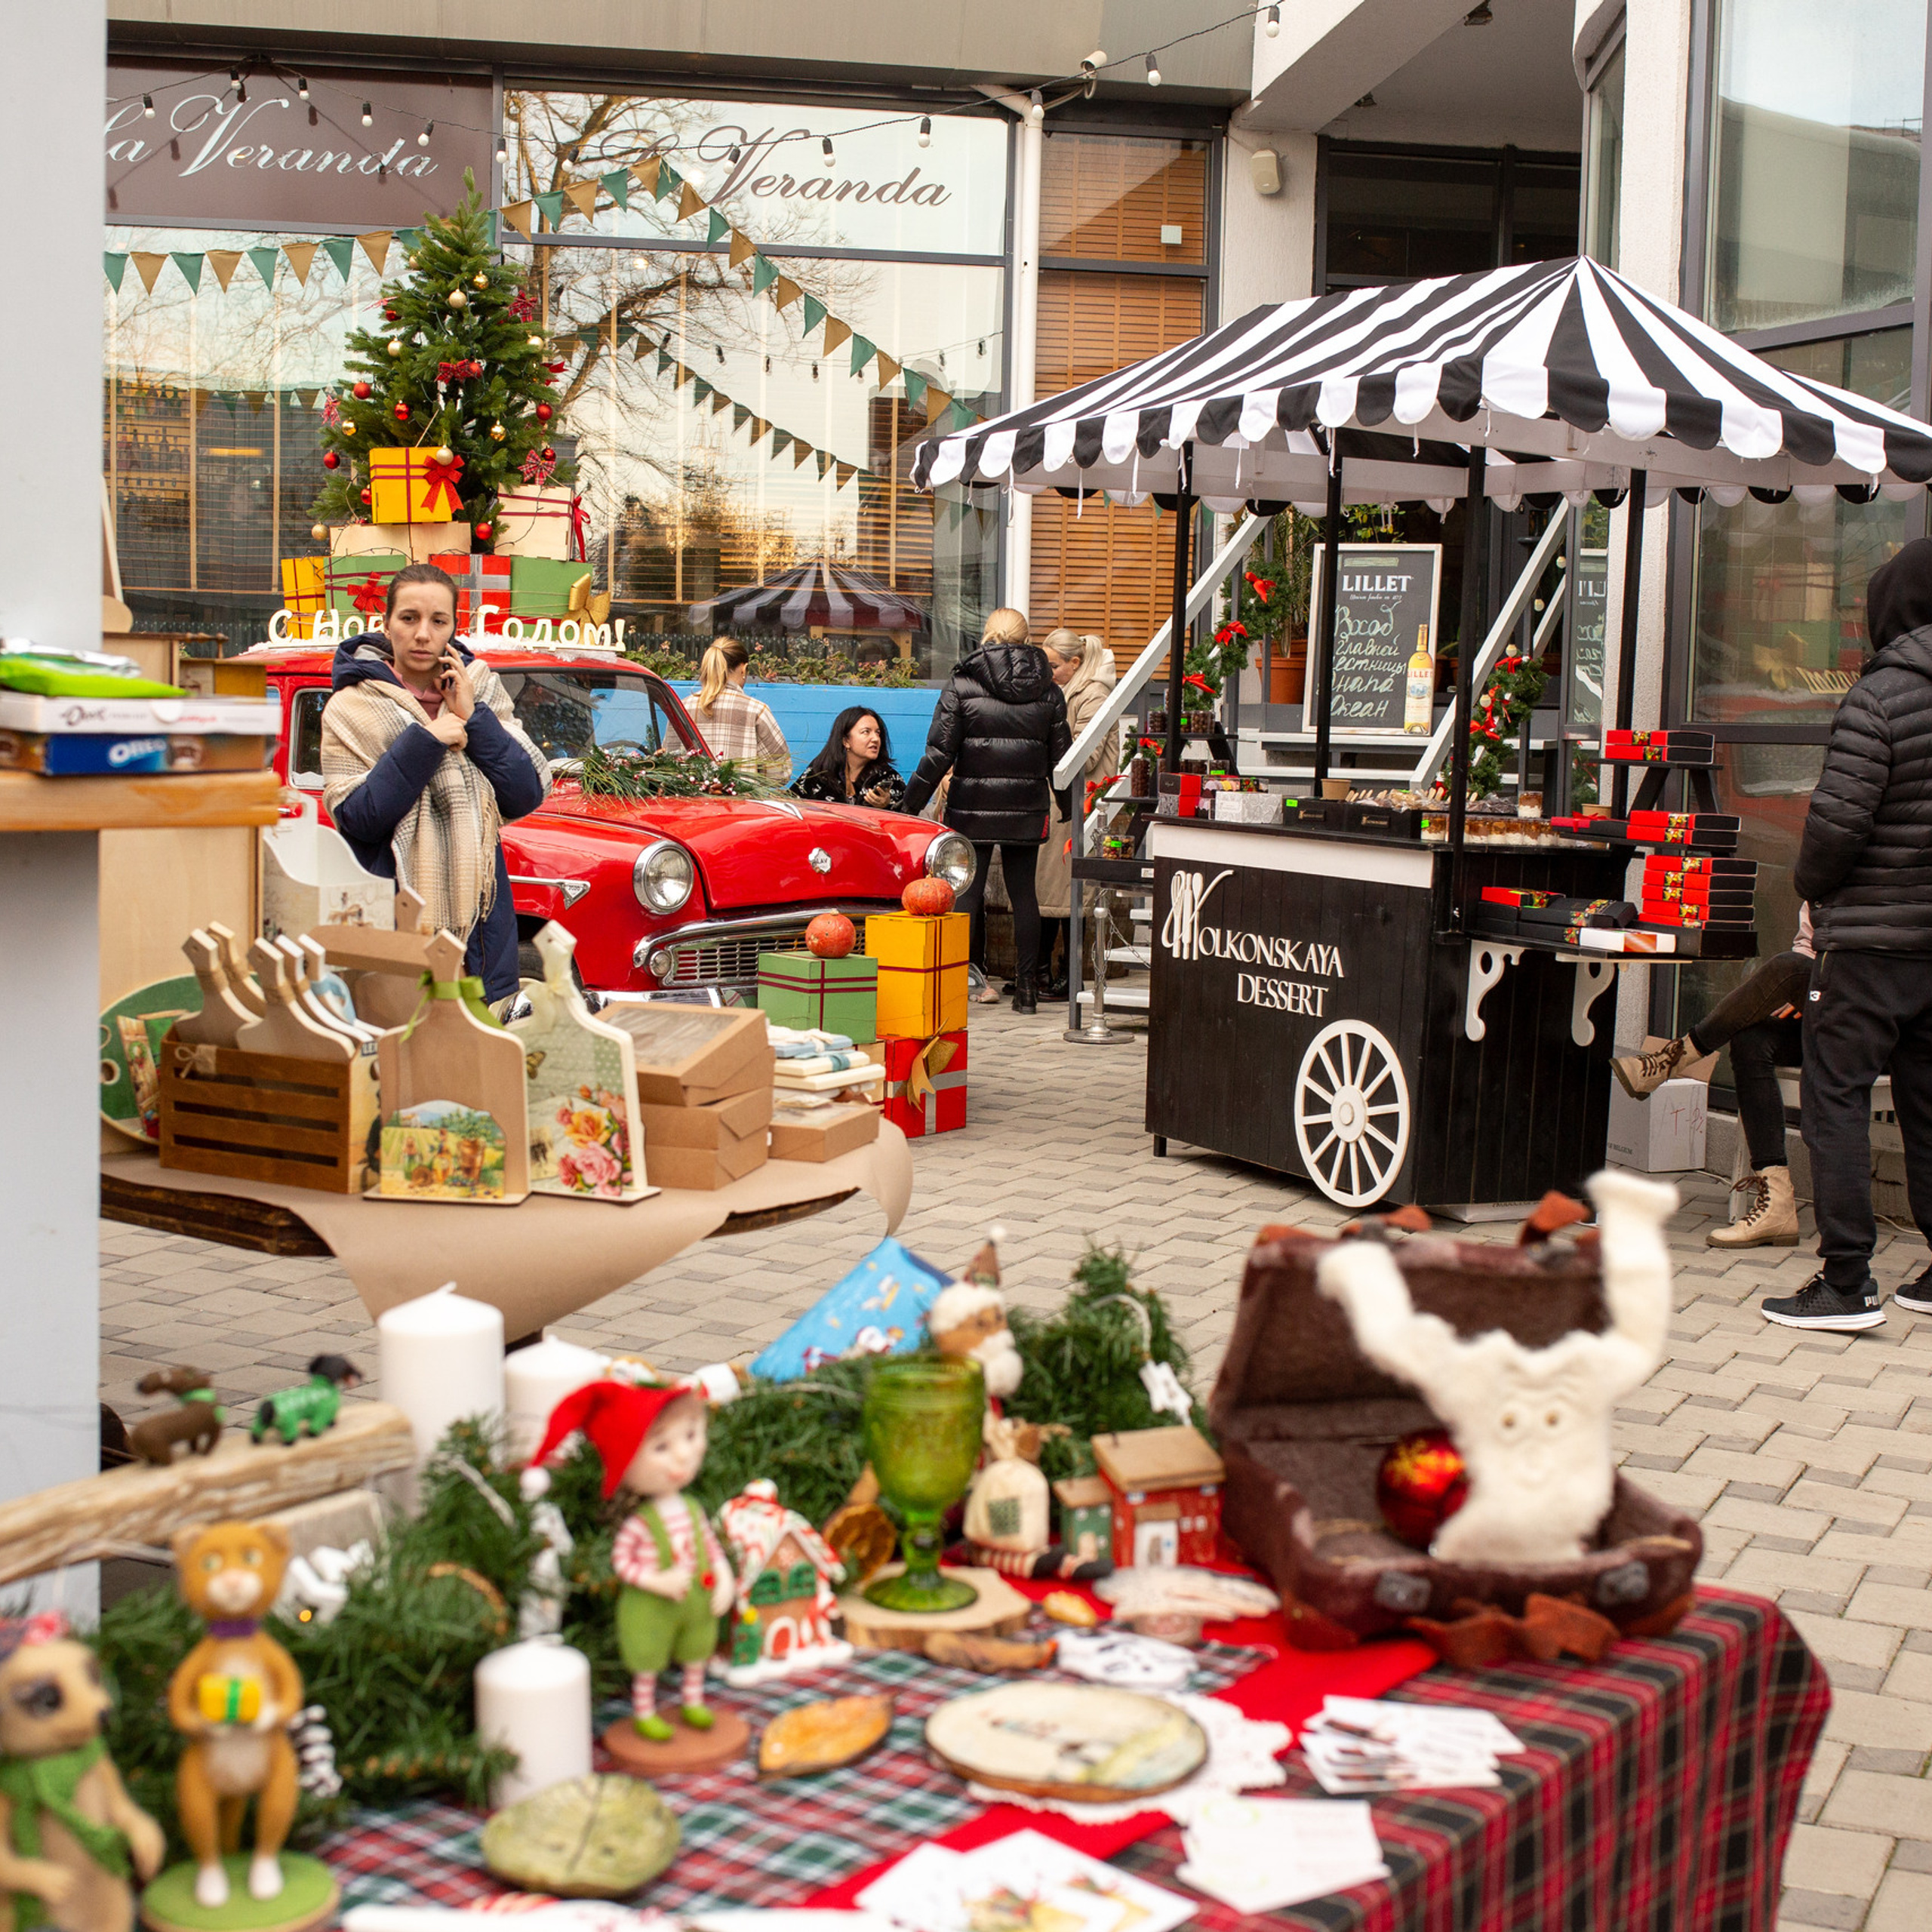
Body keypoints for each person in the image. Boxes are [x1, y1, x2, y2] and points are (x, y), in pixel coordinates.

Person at [1770, 535, 1932, 1331]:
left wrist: (1810, 890)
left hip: (1869, 942)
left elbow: (1835, 826)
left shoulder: (1879, 698)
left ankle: (1845, 1282)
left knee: (1833, 1094)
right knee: (1928, 1104)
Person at [320, 562, 550, 1007]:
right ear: (386, 624)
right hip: (392, 923)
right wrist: (426, 741)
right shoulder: (350, 706)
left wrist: (473, 719)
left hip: (480, 930)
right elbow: (359, 819)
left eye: (438, 620)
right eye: (409, 618)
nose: (423, 634)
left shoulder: (482, 689)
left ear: (452, 627)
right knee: (401, 1057)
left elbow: (525, 792)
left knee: (476, 1059)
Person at [902, 608, 1072, 1014]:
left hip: (971, 806)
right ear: (1027, 639)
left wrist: (909, 805)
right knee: (1024, 896)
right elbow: (1061, 759)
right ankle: (1027, 991)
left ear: (986, 636)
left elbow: (939, 752)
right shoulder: (1048, 691)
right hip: (1026, 807)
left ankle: (959, 987)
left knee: (966, 895)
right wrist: (1067, 808)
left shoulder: (962, 683)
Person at [1613, 909, 1814, 1249]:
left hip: (1871, 1020)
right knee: (1751, 1041)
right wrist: (1804, 991)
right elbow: (1807, 947)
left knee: (1787, 967)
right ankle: (1778, 1204)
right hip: (1821, 1013)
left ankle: (1670, 1061)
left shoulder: (1894, 880)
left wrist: (1812, 986)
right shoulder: (1822, 881)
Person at [1034, 630, 1118, 998]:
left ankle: (1069, 978)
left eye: (1053, 665)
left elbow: (1090, 752)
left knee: (1069, 894)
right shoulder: (1068, 692)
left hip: (1079, 804)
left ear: (1075, 663)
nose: (1047, 672)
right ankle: (1043, 975)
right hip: (1063, 801)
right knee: (1052, 892)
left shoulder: (1094, 694)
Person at [688, 638, 790, 783]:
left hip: (691, 803)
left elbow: (670, 763)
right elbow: (780, 774)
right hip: (741, 802)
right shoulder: (756, 710)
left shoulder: (684, 707)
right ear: (743, 669)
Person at [792, 706, 906, 809]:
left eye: (878, 733)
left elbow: (906, 817)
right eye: (866, 732)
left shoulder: (889, 778)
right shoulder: (819, 772)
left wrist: (886, 805)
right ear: (846, 741)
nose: (875, 739)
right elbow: (792, 805)